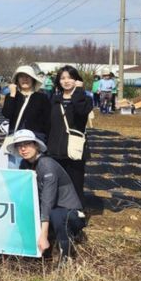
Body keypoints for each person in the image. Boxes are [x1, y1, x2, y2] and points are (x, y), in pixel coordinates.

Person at [11, 129, 86, 263]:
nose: (23, 149)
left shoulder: (46, 164)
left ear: (36, 145)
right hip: (47, 213)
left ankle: (66, 256)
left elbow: (47, 200)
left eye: (27, 144)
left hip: (69, 213)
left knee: (57, 215)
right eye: (19, 145)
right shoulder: (24, 164)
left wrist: (43, 235)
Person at [47, 65, 92, 206]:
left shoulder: (85, 99)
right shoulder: (54, 100)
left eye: (70, 78)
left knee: (75, 183)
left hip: (74, 149)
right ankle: (57, 211)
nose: (66, 81)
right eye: (62, 78)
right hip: (55, 149)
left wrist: (78, 91)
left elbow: (81, 112)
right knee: (56, 183)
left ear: (77, 80)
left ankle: (77, 212)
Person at [1, 65, 51, 141]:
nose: (25, 79)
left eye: (28, 76)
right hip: (16, 137)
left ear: (33, 79)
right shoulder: (12, 96)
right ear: (17, 80)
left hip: (35, 138)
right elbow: (7, 114)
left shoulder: (42, 97)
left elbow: (48, 121)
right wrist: (12, 94)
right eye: (21, 76)